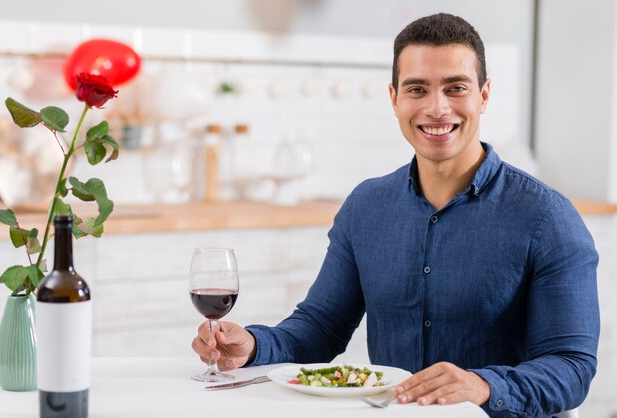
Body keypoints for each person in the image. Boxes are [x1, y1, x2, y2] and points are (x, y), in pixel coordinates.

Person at [192, 13, 599, 417]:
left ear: (484, 95)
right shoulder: (366, 207)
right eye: (417, 89)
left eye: (455, 88)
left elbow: (571, 367)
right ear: (394, 98)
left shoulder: (547, 219)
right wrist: (255, 345)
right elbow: (320, 327)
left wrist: (484, 385)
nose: (437, 108)